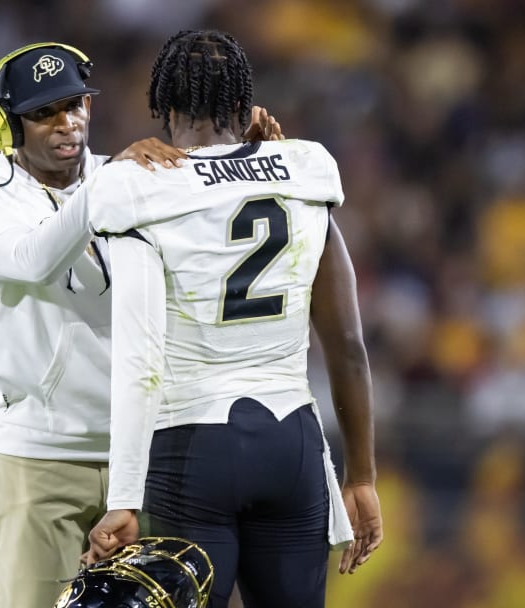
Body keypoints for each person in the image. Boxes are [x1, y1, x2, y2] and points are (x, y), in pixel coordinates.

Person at [0, 41, 282, 608]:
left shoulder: (127, 175)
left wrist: (244, 160)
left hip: (145, 452)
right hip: (36, 454)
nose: (67, 123)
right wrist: (113, 182)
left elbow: (218, 233)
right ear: (6, 124)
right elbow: (31, 259)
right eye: (43, 112)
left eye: (75, 104)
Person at [82, 30, 384, 608]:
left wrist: (123, 496)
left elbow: (140, 361)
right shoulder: (305, 167)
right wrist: (363, 477)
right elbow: (347, 343)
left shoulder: (135, 185)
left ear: (166, 106)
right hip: (291, 443)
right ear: (243, 107)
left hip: (192, 446)